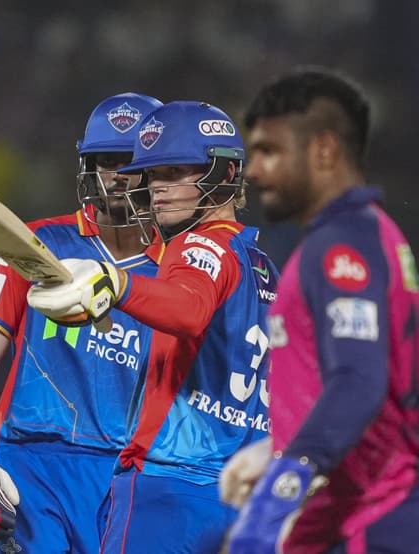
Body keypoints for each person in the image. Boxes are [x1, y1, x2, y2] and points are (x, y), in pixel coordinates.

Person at [223, 68, 419, 553]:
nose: (254, 170)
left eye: (269, 150)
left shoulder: (339, 248)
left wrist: (281, 488)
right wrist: (279, 446)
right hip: (371, 513)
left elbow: (357, 381)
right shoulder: (373, 234)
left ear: (324, 150)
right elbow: (416, 389)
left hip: (374, 521)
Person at [27, 100, 279, 553]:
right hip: (246, 499)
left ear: (224, 172)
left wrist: (117, 283)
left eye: (175, 172)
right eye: (153, 175)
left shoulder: (197, 245)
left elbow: (188, 307)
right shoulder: (263, 266)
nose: (158, 188)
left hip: (170, 486)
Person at [0, 92, 164, 554]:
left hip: (130, 476)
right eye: (106, 161)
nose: (117, 176)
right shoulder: (36, 243)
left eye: (131, 162)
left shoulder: (181, 271)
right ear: (88, 166)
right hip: (30, 467)